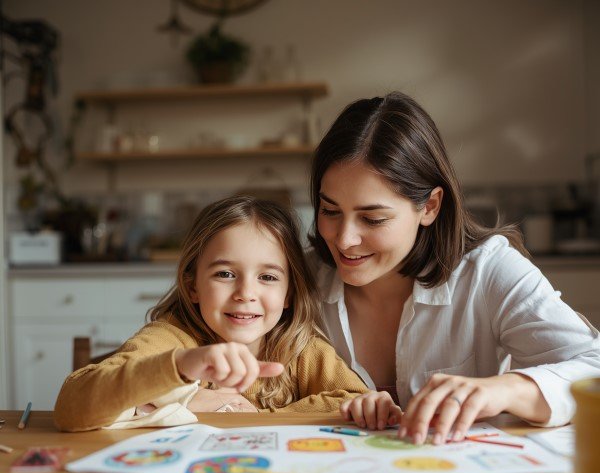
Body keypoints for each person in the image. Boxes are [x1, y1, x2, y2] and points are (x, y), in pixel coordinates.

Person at [308, 91, 600, 445]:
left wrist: (503, 390)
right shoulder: (296, 275)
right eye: (330, 211)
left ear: (429, 207)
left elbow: (592, 368)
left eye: (373, 218)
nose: (344, 239)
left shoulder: (488, 270)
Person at [54, 196, 368, 432]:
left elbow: (357, 401)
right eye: (225, 274)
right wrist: (180, 366)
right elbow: (70, 408)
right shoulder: (170, 338)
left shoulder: (301, 348)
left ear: (289, 294)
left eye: (268, 277)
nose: (246, 293)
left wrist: (254, 418)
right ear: (192, 286)